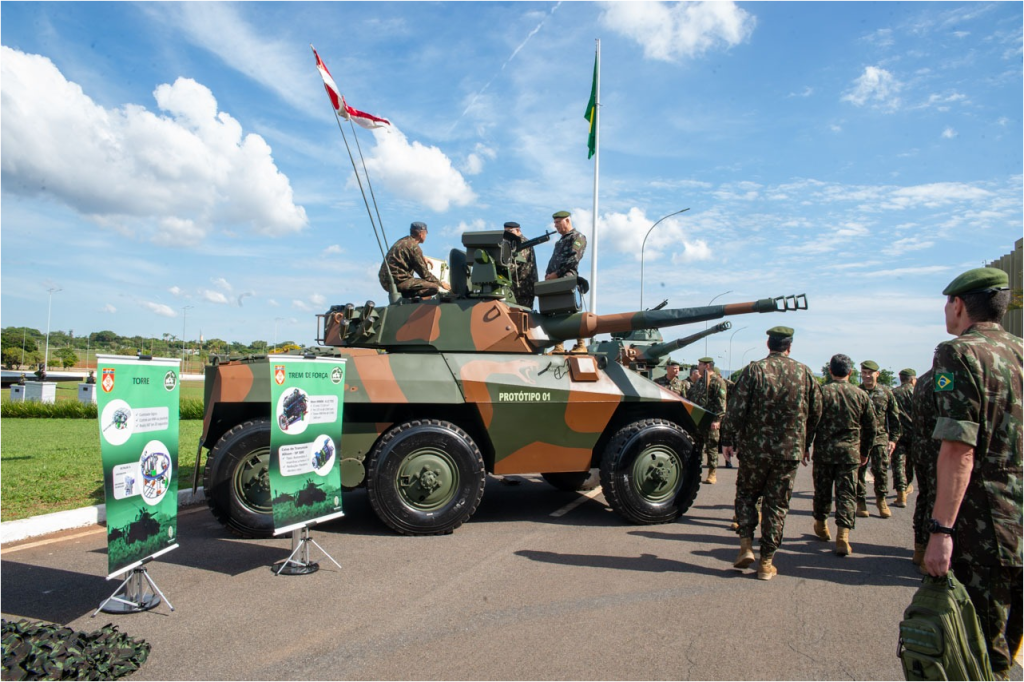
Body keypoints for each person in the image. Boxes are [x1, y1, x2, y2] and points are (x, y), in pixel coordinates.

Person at [923, 267, 1024, 678]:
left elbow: (958, 449)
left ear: (958, 304)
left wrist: (941, 531)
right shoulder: (1020, 350)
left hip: (984, 527)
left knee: (977, 650)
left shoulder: (957, 353)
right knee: (1007, 650)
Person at [722, 326, 821, 580]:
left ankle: (745, 546)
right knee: (777, 505)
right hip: (789, 452)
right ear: (789, 347)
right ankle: (766, 562)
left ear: (768, 345)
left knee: (746, 495)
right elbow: (817, 411)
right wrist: (806, 442)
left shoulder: (754, 370)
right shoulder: (805, 373)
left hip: (755, 450)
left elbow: (735, 409)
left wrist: (728, 439)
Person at [805, 353, 876, 556]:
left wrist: (805, 446)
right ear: (850, 372)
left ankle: (821, 524)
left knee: (822, 491)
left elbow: (811, 422)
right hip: (850, 453)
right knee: (846, 494)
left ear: (830, 371)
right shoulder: (860, 395)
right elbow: (871, 427)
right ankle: (843, 535)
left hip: (824, 452)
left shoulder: (821, 392)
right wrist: (865, 451)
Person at [856, 360, 901, 519]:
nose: (867, 376)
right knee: (858, 471)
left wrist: (893, 439)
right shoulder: (857, 392)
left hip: (879, 438)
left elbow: (894, 418)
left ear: (877, 374)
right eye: (864, 373)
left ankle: (881, 500)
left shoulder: (886, 393)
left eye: (870, 373)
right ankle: (860, 501)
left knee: (881, 470)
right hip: (859, 439)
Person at [545, 211, 587, 353]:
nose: (555, 226)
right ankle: (559, 346)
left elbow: (573, 259)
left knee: (572, 311)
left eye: (558, 222)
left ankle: (581, 344)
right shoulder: (560, 241)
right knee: (557, 311)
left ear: (567, 221)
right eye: (555, 222)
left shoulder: (577, 237)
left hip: (567, 278)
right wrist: (549, 275)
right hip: (555, 280)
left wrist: (556, 274)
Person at [909, 368, 938, 571]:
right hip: (937, 450)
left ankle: (919, 548)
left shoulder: (921, 381)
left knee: (924, 497)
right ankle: (928, 550)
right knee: (935, 501)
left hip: (920, 448)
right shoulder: (944, 379)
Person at [378, 222, 450, 298]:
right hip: (398, 282)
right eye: (426, 233)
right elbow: (425, 275)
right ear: (421, 234)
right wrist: (441, 284)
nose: (426, 235)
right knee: (433, 287)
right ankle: (405, 297)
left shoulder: (404, 241)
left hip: (385, 281)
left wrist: (422, 257)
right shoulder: (414, 248)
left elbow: (404, 254)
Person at [687, 357, 727, 484]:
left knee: (712, 447)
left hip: (710, 420)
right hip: (698, 419)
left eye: (700, 364)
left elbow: (721, 403)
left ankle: (712, 472)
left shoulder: (717, 381)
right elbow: (692, 397)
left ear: (707, 366)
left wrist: (717, 420)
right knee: (696, 447)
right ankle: (695, 473)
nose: (698, 366)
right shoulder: (700, 381)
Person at [890, 368, 917, 507]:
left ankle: (901, 493)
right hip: (915, 433)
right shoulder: (917, 392)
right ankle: (907, 486)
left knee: (898, 463)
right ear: (912, 379)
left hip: (898, 433)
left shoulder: (893, 393)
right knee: (910, 462)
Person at [501, 221, 537, 308]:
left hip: (523, 289)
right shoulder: (513, 244)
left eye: (510, 232)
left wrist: (499, 272)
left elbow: (514, 264)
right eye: (505, 232)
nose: (507, 235)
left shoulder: (522, 243)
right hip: (517, 289)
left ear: (518, 230)